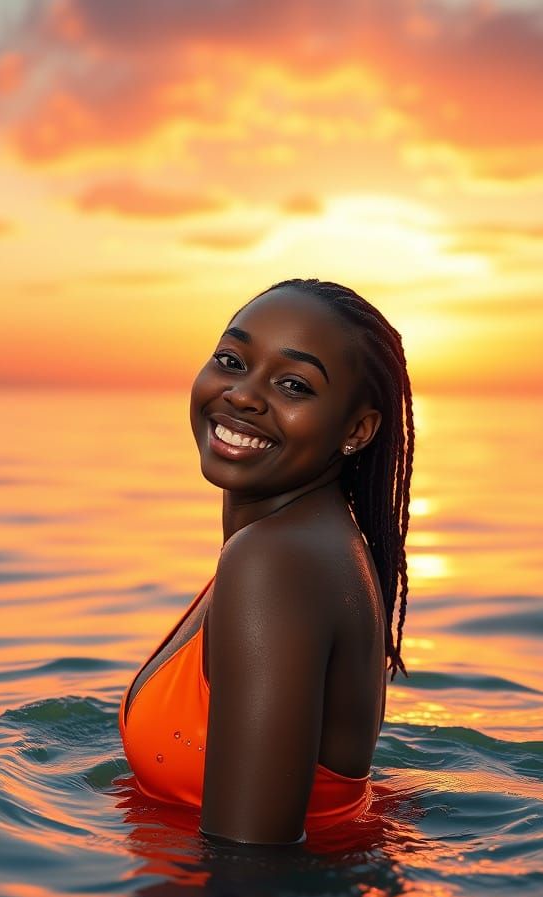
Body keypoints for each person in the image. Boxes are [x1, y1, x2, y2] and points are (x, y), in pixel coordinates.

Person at [118, 277, 414, 846]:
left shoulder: (275, 562)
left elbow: (249, 865)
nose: (244, 395)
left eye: (294, 385)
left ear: (357, 430)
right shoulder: (300, 544)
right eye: (232, 359)